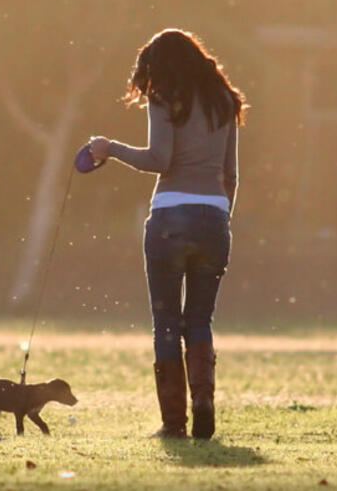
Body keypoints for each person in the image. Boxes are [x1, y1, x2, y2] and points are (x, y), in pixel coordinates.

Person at [88, 28, 245, 440]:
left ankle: (174, 422)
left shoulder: (164, 98)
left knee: (166, 322)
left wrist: (110, 148)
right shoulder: (224, 102)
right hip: (214, 218)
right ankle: (204, 399)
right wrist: (219, 215)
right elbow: (231, 175)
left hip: (170, 220)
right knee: (200, 319)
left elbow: (160, 159)